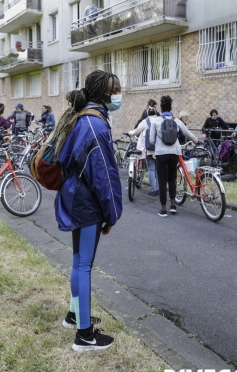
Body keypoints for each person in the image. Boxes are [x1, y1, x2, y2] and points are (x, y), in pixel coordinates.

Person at [54, 70, 123, 351]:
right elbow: (104, 176)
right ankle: (84, 335)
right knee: (83, 266)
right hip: (87, 203)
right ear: (103, 93)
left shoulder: (84, 117)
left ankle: (74, 315)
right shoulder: (96, 124)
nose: (119, 93)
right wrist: (111, 213)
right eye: (116, 89)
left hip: (75, 197)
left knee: (77, 262)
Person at [150, 95, 199, 217]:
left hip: (161, 153)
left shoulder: (156, 121)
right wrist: (197, 141)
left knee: (162, 180)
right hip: (174, 153)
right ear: (171, 107)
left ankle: (163, 209)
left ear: (161, 108)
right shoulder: (177, 121)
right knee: (172, 179)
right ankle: (173, 205)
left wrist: (158, 142)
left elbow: (151, 140)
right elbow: (187, 133)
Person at [128, 106, 159, 196]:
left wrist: (130, 133)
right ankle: (159, 189)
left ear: (147, 114)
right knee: (158, 169)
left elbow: (136, 131)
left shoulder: (145, 122)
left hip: (149, 149)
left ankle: (153, 190)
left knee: (151, 168)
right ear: (155, 113)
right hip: (159, 149)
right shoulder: (160, 120)